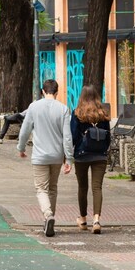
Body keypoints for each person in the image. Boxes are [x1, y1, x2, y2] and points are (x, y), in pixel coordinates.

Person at [16, 79, 73, 237]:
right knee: (53, 188)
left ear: (42, 91)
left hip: (40, 156)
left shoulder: (34, 107)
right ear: (57, 92)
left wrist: (21, 148)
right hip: (57, 156)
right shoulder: (63, 109)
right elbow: (67, 137)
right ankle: (49, 220)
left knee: (41, 188)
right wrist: (69, 158)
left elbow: (25, 130)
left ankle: (48, 215)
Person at [70, 85, 111, 234]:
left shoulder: (77, 113)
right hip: (100, 155)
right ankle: (96, 220)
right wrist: (103, 149)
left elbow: (73, 135)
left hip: (82, 155)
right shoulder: (103, 113)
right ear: (96, 97)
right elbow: (108, 136)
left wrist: (70, 154)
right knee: (97, 188)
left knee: (82, 187)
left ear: (82, 97)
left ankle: (82, 219)